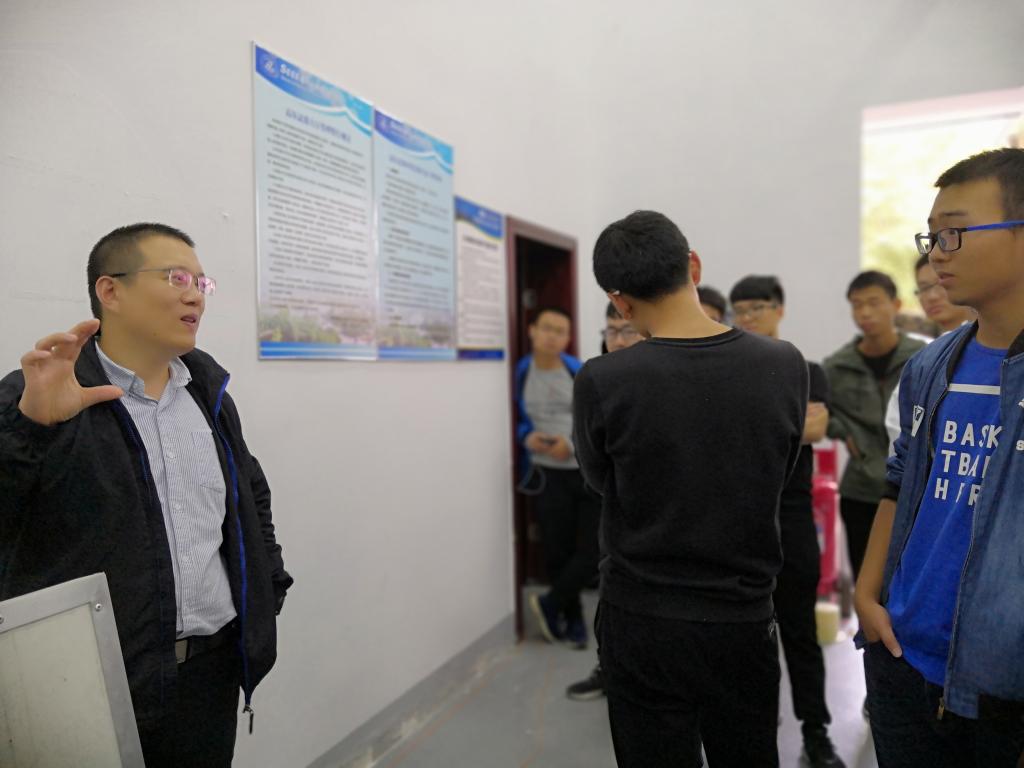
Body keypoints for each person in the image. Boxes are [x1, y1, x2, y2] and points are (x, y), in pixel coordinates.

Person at [0, 223, 293, 767]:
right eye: (177, 278)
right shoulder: (37, 397)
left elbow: (251, 498)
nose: (194, 296)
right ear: (110, 291)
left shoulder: (207, 396)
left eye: (202, 283)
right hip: (86, 686)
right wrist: (30, 430)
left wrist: (266, 590)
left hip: (207, 675)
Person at [575, 210, 807, 767]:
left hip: (641, 617)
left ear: (620, 303)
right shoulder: (784, 364)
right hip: (741, 618)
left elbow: (601, 481)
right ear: (694, 266)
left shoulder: (603, 379)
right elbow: (779, 470)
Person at [856, 147, 1024, 767]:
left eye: (954, 233)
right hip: (904, 656)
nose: (936, 254)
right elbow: (900, 480)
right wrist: (867, 597)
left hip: (1002, 686)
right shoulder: (931, 364)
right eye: (932, 237)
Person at [730, 275, 844, 768]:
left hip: (791, 516)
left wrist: (748, 426)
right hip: (737, 517)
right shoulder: (726, 370)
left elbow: (815, 427)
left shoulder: (805, 369)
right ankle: (755, 731)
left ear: (779, 310)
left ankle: (816, 732)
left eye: (757, 307)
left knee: (799, 631)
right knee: (743, 637)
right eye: (739, 309)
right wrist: (783, 423)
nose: (747, 317)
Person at [823, 271, 926, 581]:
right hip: (861, 489)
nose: (865, 313)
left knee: (908, 579)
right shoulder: (837, 366)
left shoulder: (922, 357)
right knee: (865, 578)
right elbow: (819, 411)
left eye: (874, 302)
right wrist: (843, 432)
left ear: (895, 305)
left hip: (913, 488)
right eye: (857, 305)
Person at [566, 301, 643, 701]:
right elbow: (592, 463)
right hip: (614, 506)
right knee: (612, 593)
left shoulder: (661, 376)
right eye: (611, 332)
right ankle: (608, 669)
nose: (619, 341)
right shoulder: (597, 380)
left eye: (627, 331)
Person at [516, 307, 599, 649]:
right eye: (546, 328)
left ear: (568, 338)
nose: (552, 336)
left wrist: (572, 444)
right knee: (557, 550)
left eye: (560, 331)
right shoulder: (521, 371)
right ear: (532, 330)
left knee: (594, 549)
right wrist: (527, 437)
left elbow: (596, 419)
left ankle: (550, 603)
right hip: (546, 473)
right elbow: (514, 416)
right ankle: (572, 615)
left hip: (585, 472)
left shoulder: (576, 370)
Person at [885, 253, 976, 449]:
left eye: (941, 282)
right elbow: (899, 438)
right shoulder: (923, 360)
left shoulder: (992, 348)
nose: (932, 296)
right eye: (924, 288)